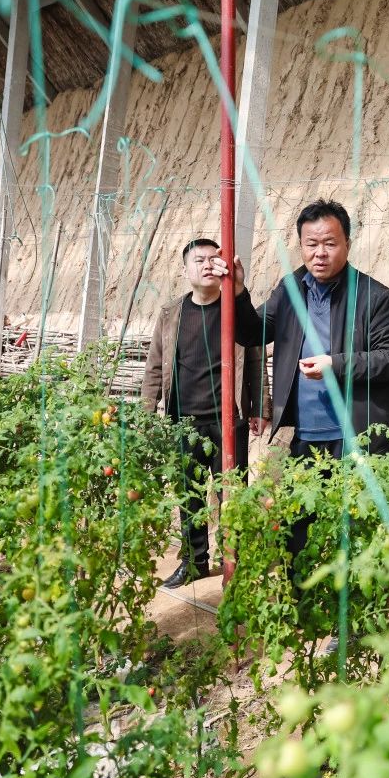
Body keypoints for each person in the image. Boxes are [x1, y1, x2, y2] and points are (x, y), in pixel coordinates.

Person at [222, 199, 389, 594]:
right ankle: (302, 603)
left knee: (353, 532)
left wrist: (335, 364)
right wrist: (237, 293)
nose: (320, 253)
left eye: (330, 243)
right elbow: (254, 333)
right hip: (307, 437)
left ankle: (352, 614)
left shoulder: (375, 297)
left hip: (356, 437)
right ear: (301, 245)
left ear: (348, 244)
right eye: (311, 243)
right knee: (297, 529)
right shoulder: (291, 290)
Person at [141, 238, 269, 589]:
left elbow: (255, 358)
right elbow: (155, 366)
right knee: (190, 495)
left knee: (233, 494)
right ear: (186, 270)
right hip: (183, 422)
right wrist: (147, 413)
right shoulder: (171, 314)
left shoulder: (235, 310)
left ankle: (233, 563)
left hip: (229, 420)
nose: (208, 265)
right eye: (199, 260)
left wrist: (260, 407)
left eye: (215, 258)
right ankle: (194, 561)